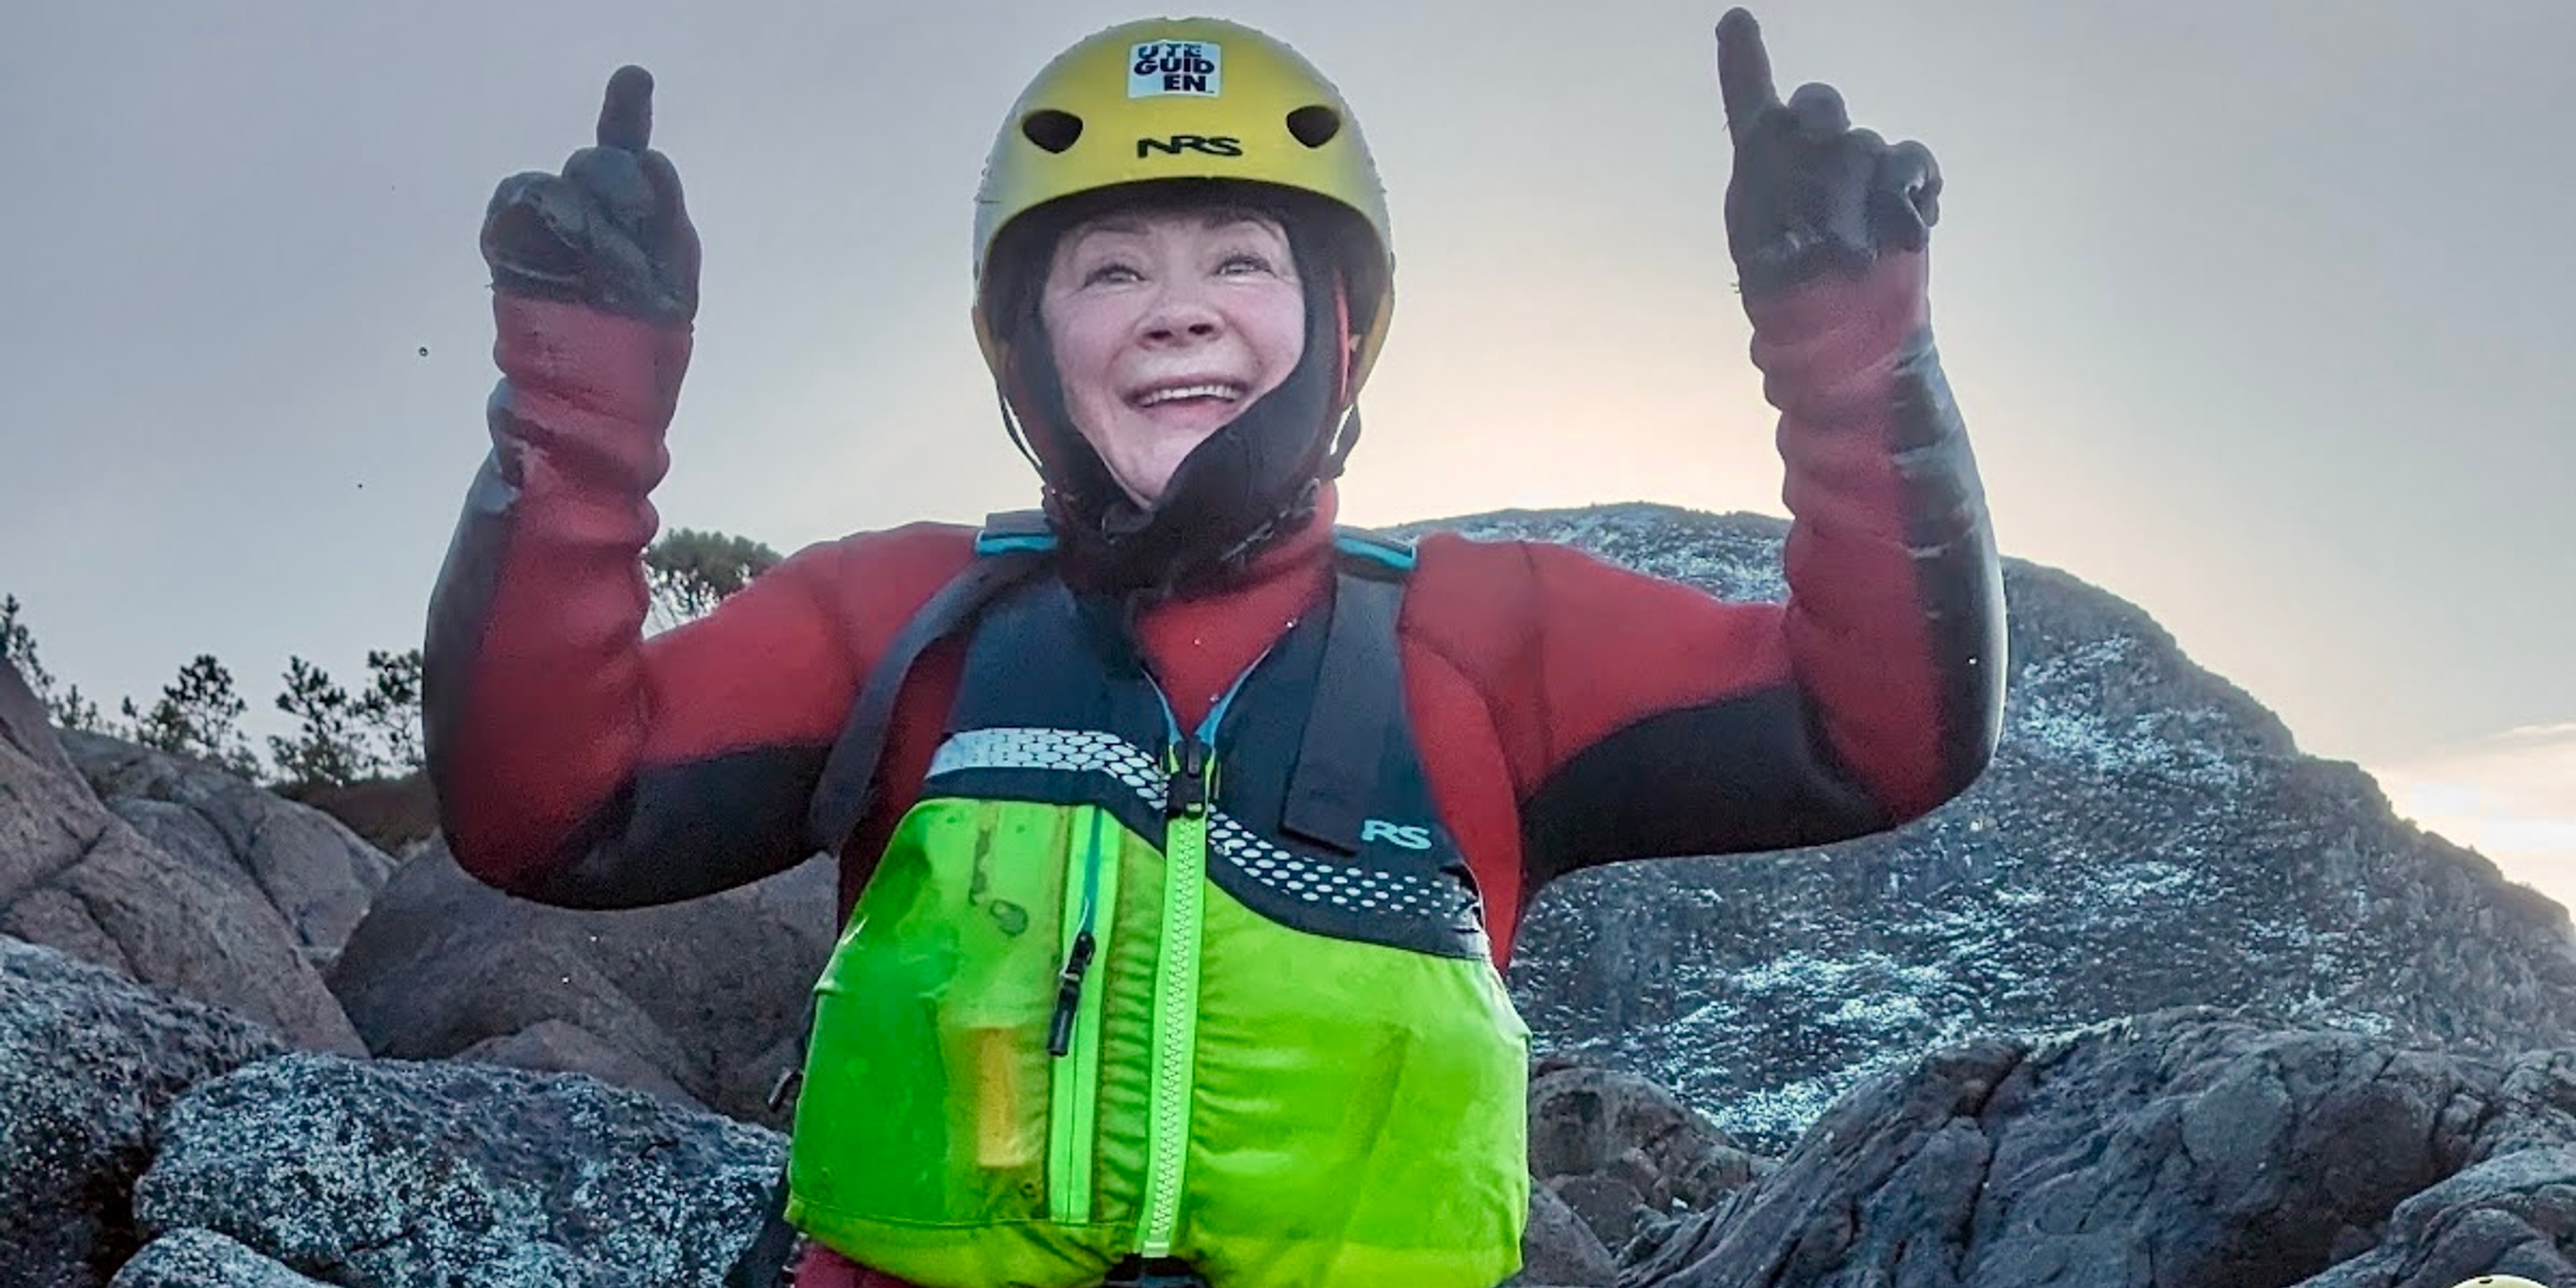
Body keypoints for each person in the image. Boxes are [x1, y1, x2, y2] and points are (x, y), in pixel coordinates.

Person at [424, 9, 2006, 1288]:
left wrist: (1846, 340)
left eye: (1240, 258)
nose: (1177, 311)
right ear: (1029, 345)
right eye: (1111, 268)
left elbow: (1881, 728)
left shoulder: (1487, 636)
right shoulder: (901, 616)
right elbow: (541, 808)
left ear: (1336, 325)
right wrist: (580, 402)